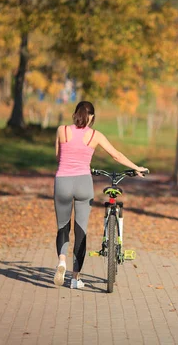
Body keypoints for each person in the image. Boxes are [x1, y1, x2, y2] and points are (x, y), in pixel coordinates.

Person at [53, 100, 147, 289]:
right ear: (92, 117)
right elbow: (116, 155)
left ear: (75, 114)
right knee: (81, 231)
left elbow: (58, 156)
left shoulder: (61, 130)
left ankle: (61, 261)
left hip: (62, 182)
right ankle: (75, 278)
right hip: (83, 184)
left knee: (63, 227)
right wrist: (136, 168)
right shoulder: (95, 135)